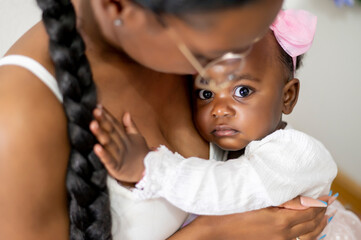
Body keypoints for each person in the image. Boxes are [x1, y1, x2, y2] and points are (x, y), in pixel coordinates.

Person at [0, 0, 334, 239]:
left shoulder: (169, 36)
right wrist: (214, 233)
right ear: (119, 7)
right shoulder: (17, 123)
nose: (230, 66)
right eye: (213, 51)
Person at [92, 9, 361, 240]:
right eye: (207, 94)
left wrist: (148, 168)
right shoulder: (240, 147)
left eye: (243, 91)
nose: (219, 109)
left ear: (287, 97)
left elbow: (222, 187)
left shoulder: (295, 154)